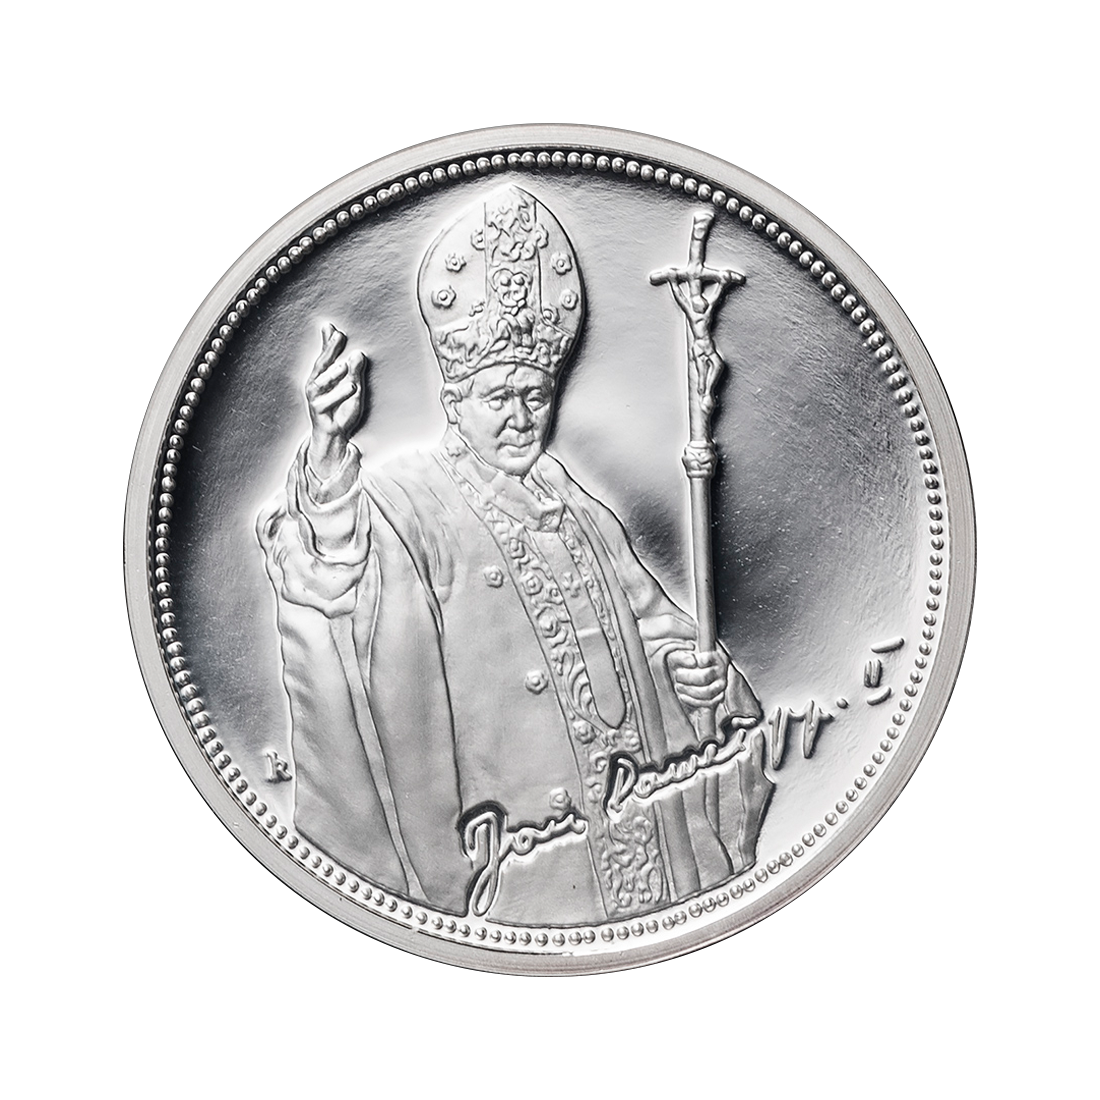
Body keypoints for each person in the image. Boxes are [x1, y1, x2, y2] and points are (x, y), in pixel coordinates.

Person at [257, 186, 771, 925]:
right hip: (512, 854)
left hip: (639, 832)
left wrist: (692, 673)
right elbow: (334, 572)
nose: (522, 417)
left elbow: (651, 627)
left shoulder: (575, 504)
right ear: (454, 402)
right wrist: (330, 456)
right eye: (499, 397)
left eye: (537, 395)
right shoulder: (410, 500)